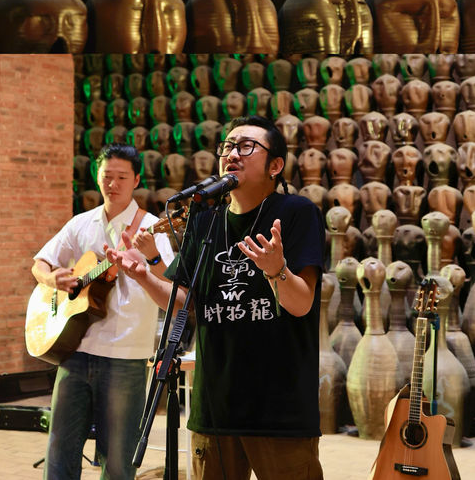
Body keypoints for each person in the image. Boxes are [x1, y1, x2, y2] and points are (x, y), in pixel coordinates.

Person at [107, 115, 326, 480]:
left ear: (275, 166)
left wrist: (276, 269)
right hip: (214, 408)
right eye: (227, 146)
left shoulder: (296, 213)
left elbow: (301, 303)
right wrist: (145, 277)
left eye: (246, 146)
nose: (232, 153)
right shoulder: (205, 221)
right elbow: (186, 305)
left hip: (279, 410)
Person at [31, 143, 174, 480]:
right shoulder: (81, 223)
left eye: (122, 177)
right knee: (60, 452)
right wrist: (52, 279)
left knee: (118, 459)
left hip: (126, 355)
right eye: (107, 176)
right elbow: (39, 263)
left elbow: (171, 288)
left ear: (137, 179)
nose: (113, 184)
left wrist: (150, 259)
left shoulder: (151, 228)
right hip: (75, 350)